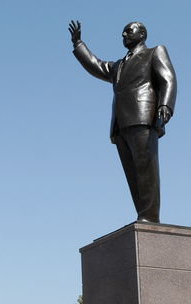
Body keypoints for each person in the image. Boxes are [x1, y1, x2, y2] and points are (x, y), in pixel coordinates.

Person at [69, 20, 177, 223]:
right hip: (121, 123)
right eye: (123, 31)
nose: (123, 34)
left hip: (144, 117)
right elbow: (96, 65)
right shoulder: (118, 65)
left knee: (146, 169)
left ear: (142, 34)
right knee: (133, 174)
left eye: (129, 31)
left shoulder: (155, 52)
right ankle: (143, 215)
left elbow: (168, 78)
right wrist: (78, 44)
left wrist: (165, 105)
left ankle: (150, 216)